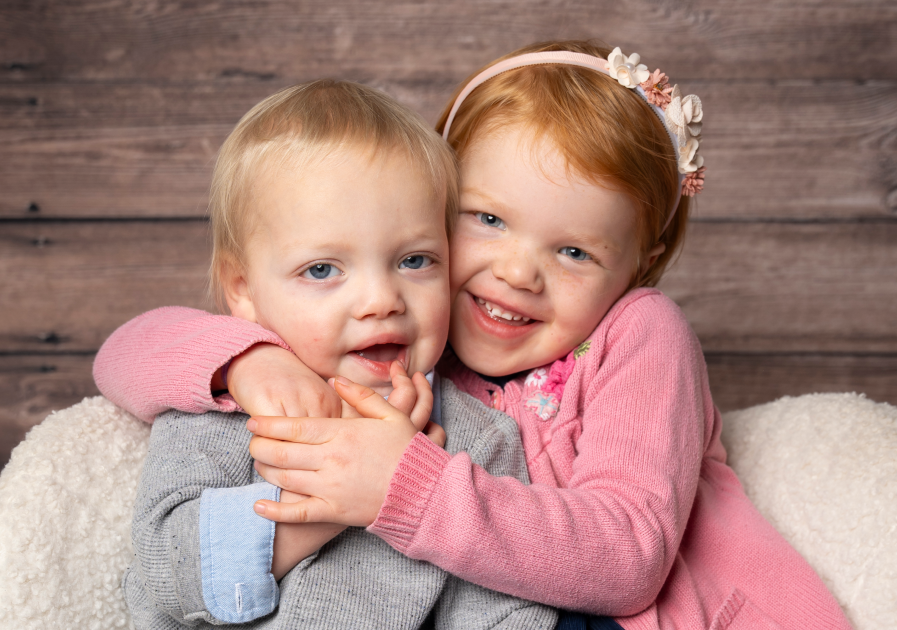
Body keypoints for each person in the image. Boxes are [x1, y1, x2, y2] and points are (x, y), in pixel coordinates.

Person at [96, 41, 852, 629]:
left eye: (576, 251)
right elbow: (130, 352)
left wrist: (395, 485)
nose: (519, 272)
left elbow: (621, 560)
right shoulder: (409, 354)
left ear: (640, 265)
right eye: (487, 220)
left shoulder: (630, 334)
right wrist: (245, 360)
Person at [115, 78, 558, 630]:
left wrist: (408, 486)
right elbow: (164, 576)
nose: (381, 301)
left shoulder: (478, 439)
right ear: (245, 292)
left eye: (415, 261)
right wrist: (333, 503)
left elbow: (509, 608)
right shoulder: (228, 407)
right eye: (323, 270)